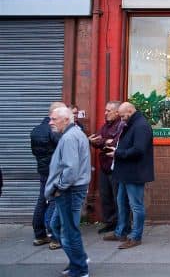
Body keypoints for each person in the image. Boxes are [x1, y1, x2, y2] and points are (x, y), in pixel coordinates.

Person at [44, 106, 91, 277]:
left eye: (54, 119)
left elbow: (71, 169)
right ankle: (79, 259)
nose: (50, 122)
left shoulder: (70, 137)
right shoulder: (73, 134)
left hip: (69, 190)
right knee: (56, 225)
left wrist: (59, 187)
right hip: (70, 189)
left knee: (69, 231)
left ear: (66, 119)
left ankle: (80, 269)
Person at [103, 102, 154, 249]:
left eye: (122, 114)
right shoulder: (132, 123)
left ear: (130, 111)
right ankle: (121, 231)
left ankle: (135, 237)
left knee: (136, 206)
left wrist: (117, 153)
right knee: (122, 202)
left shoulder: (141, 126)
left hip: (135, 173)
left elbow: (139, 150)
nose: (120, 117)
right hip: (126, 172)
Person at [30, 101, 65, 248]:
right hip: (55, 171)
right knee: (54, 201)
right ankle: (54, 237)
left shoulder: (36, 130)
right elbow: (62, 148)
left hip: (43, 170)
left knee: (41, 201)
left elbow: (35, 152)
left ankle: (39, 235)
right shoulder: (53, 130)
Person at [88, 101, 125, 234]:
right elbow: (96, 140)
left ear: (117, 112)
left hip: (115, 166)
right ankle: (110, 222)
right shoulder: (105, 126)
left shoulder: (121, 125)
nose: (105, 113)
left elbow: (115, 144)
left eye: (108, 111)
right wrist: (104, 141)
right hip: (104, 166)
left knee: (117, 198)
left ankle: (121, 225)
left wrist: (102, 141)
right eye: (105, 110)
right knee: (105, 196)